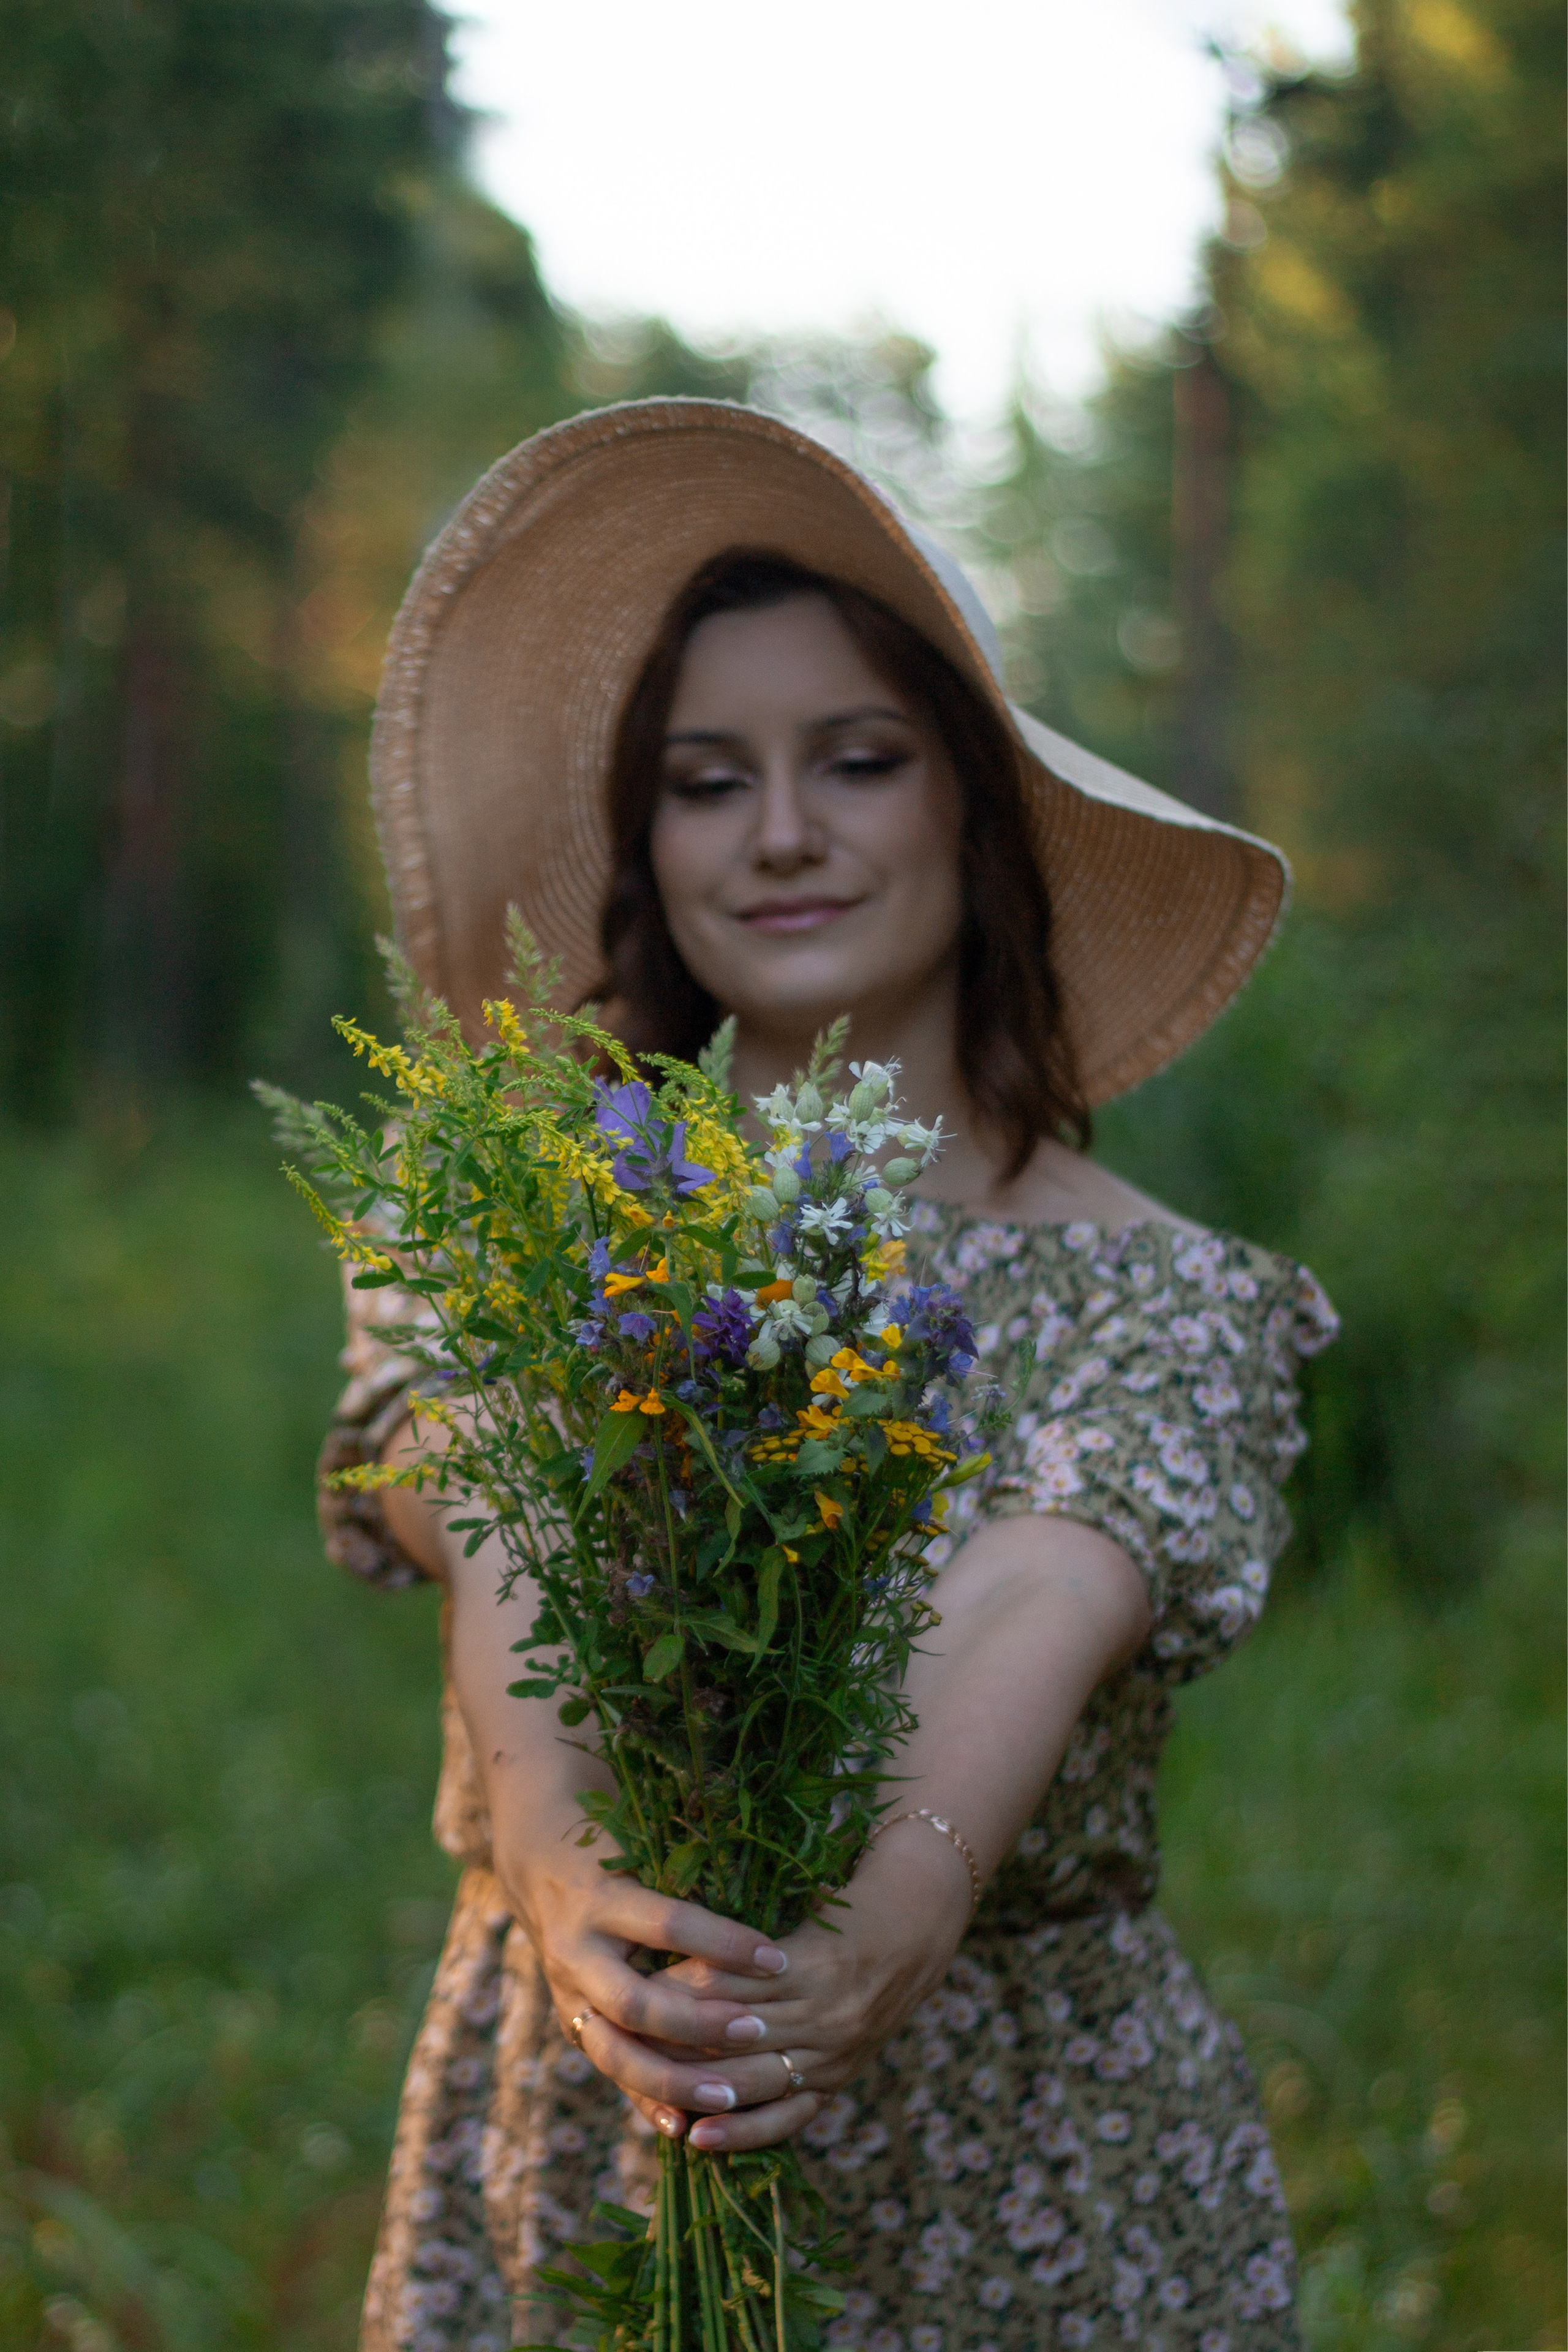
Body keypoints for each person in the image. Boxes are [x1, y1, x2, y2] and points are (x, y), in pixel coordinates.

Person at [318, 400, 1339, 2352]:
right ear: (648, 842)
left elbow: (1045, 1577)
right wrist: (554, 1845)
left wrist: (892, 1911)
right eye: (708, 783)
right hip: (592, 2125)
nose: (781, 832)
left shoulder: (1175, 1297)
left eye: (856, 761)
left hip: (1033, 2180)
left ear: (973, 802)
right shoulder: (525, 1235)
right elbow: (481, 1476)